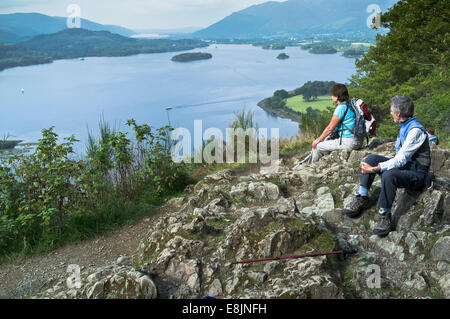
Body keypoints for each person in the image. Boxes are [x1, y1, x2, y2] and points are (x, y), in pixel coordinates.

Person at [344, 95, 431, 237]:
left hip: (418, 174)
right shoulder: (405, 125)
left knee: (389, 174)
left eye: (391, 111)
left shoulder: (415, 131)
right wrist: (375, 165)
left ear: (398, 114)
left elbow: (401, 160)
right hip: (406, 167)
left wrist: (375, 169)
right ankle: (362, 197)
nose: (390, 113)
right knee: (372, 158)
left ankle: (385, 214)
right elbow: (400, 159)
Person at [310, 83, 362, 163]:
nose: (331, 96)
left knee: (317, 146)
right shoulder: (351, 104)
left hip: (348, 142)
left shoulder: (341, 108)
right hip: (358, 140)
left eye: (333, 95)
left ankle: (311, 167)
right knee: (326, 143)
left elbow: (330, 128)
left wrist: (318, 140)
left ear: (337, 97)